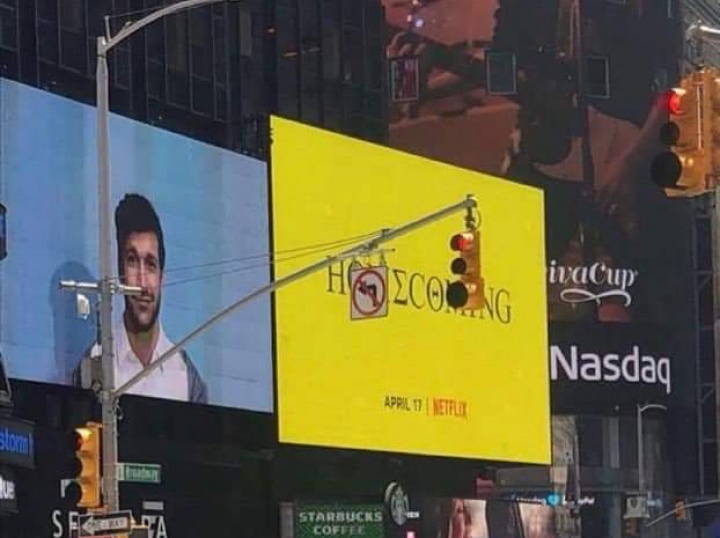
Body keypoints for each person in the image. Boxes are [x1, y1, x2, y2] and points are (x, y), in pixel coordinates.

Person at [74, 193, 207, 404]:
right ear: (120, 271)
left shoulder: (186, 377)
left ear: (162, 277)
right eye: (132, 261)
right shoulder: (95, 363)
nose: (142, 283)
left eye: (151, 264)